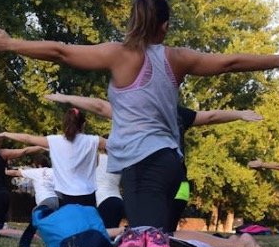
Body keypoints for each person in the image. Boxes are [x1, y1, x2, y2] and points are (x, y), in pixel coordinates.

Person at [0, 0, 279, 247]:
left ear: (133, 21)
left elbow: (61, 52)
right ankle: (229, 244)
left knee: (151, 239)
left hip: (144, 164)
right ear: (164, 25)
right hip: (169, 163)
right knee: (148, 237)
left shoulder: (118, 54)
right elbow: (229, 62)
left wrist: (11, 44)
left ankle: (235, 245)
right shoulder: (177, 58)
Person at [45, 92, 264, 231]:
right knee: (165, 228)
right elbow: (211, 117)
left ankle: (159, 238)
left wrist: (68, 98)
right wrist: (239, 113)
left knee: (155, 228)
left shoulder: (140, 112)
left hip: (156, 180)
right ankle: (164, 238)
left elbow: (101, 107)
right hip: (180, 180)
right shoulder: (178, 113)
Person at [0, 108, 106, 208]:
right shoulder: (94, 140)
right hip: (88, 192)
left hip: (65, 194)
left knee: (70, 226)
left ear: (64, 124)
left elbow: (27, 138)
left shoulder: (55, 140)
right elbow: (117, 145)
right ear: (83, 125)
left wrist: (5, 134)